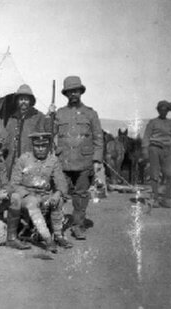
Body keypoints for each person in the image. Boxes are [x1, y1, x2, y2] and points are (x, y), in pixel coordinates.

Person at [53, 76, 104, 240]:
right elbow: (49, 134)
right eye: (70, 91)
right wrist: (49, 115)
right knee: (58, 194)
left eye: (76, 90)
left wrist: (97, 161)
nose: (73, 94)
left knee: (81, 195)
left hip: (84, 162)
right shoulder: (59, 113)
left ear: (80, 92)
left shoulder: (91, 113)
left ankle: (78, 225)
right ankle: (55, 226)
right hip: (63, 162)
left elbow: (98, 138)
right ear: (66, 94)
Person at [10, 132, 73, 253]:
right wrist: (28, 196)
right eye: (37, 146)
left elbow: (61, 182)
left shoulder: (53, 161)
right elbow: (14, 184)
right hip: (26, 196)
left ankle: (59, 235)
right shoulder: (23, 159)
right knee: (32, 202)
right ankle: (48, 239)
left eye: (44, 146)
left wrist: (57, 193)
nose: (40, 149)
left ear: (48, 146)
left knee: (58, 200)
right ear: (32, 146)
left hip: (45, 195)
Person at [3, 84, 50, 179]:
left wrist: (50, 116)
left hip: (31, 159)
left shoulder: (38, 116)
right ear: (17, 101)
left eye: (26, 99)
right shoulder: (12, 118)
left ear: (30, 101)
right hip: (13, 160)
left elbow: (48, 134)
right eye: (21, 99)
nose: (23, 102)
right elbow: (6, 138)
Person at [142, 100, 171, 208]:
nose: (163, 112)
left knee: (170, 175)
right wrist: (145, 151)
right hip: (154, 148)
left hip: (167, 150)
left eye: (165, 110)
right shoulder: (153, 122)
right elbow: (146, 136)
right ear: (158, 110)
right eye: (161, 109)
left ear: (168, 111)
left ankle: (166, 199)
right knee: (154, 174)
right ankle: (155, 198)